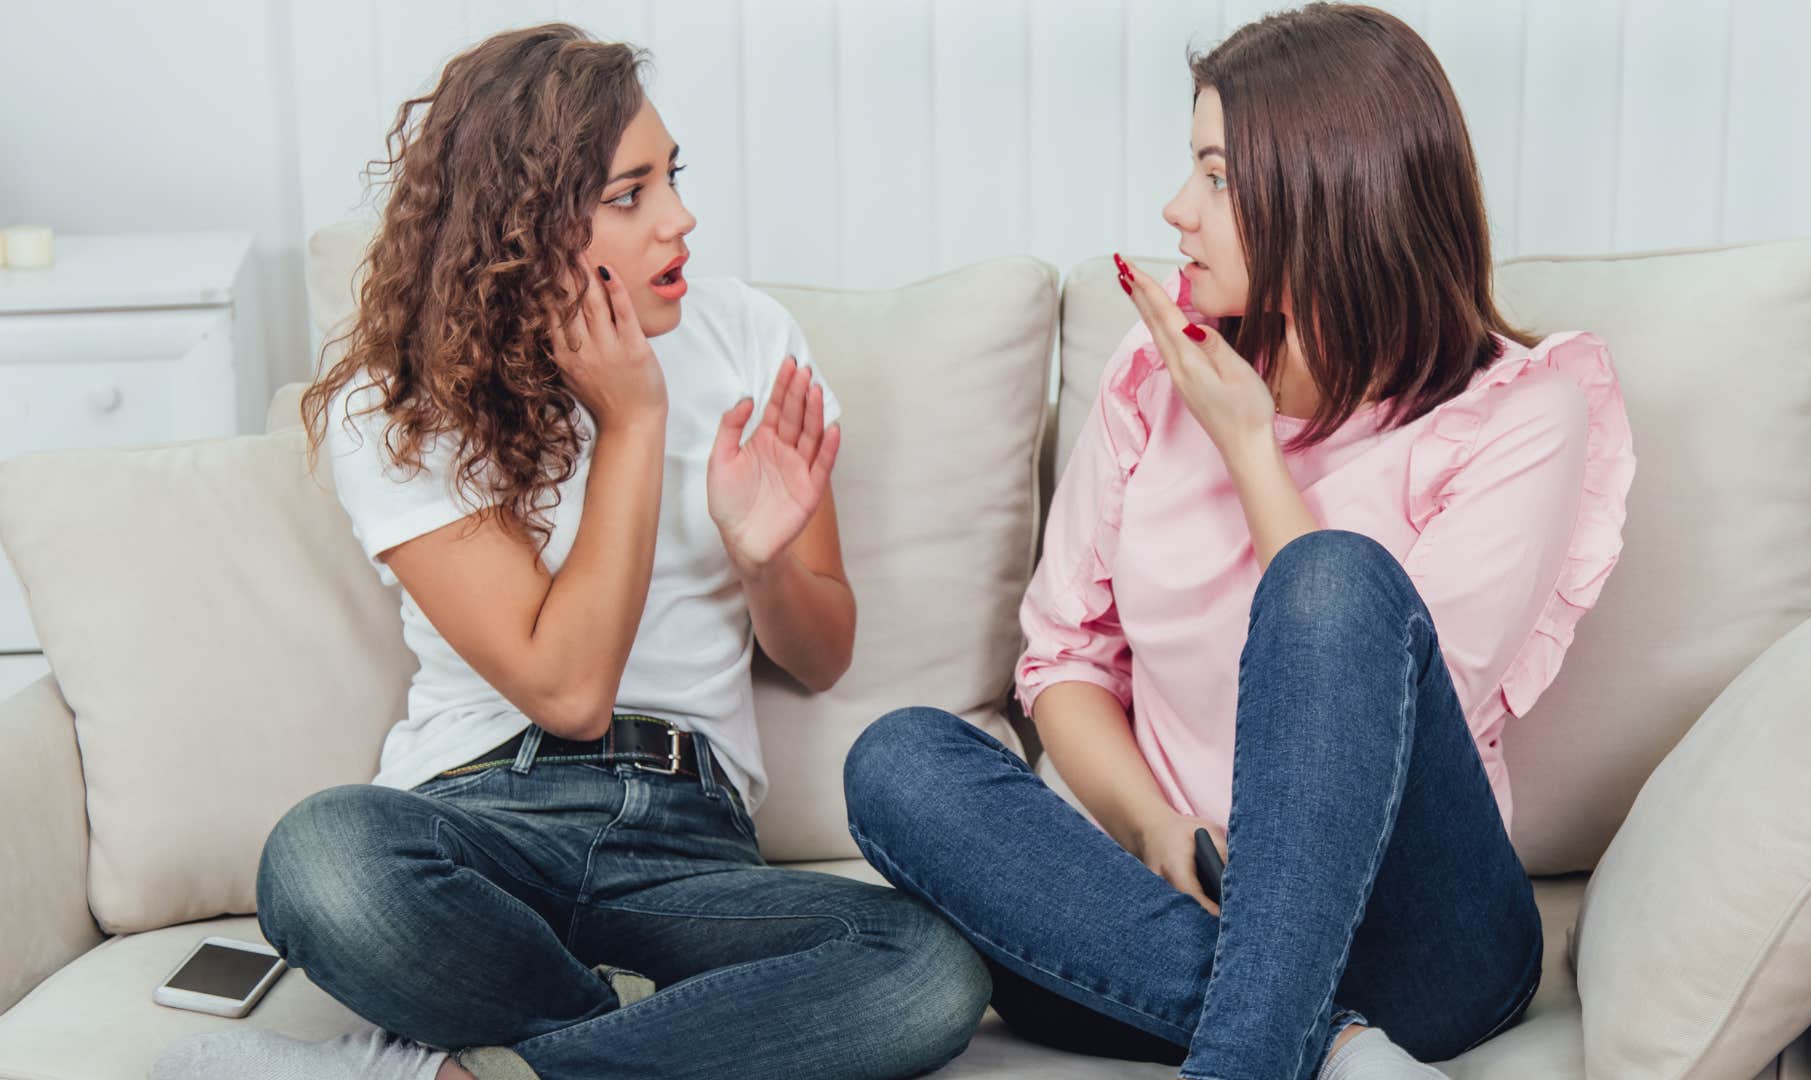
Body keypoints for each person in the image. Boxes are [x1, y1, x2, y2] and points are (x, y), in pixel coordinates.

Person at [150, 24, 988, 1080]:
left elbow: (821, 658)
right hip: (480, 821)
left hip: (691, 842)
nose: (681, 219)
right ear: (522, 226)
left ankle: (487, 1070)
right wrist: (635, 424)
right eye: (629, 194)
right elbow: (568, 690)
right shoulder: (399, 405)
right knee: (322, 861)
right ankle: (643, 1041)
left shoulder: (749, 336)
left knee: (926, 966)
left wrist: (765, 558)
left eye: (671, 177)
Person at [843, 6, 1636, 1080]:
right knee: (898, 760)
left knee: (1333, 582)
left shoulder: (1523, 412)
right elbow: (1062, 662)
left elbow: (1389, 713)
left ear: (1329, 187)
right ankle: (1339, 1049)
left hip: (1420, 940)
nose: (1177, 210)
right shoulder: (1151, 372)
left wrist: (1252, 448)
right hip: (1179, 906)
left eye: (1215, 176)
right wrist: (1150, 827)